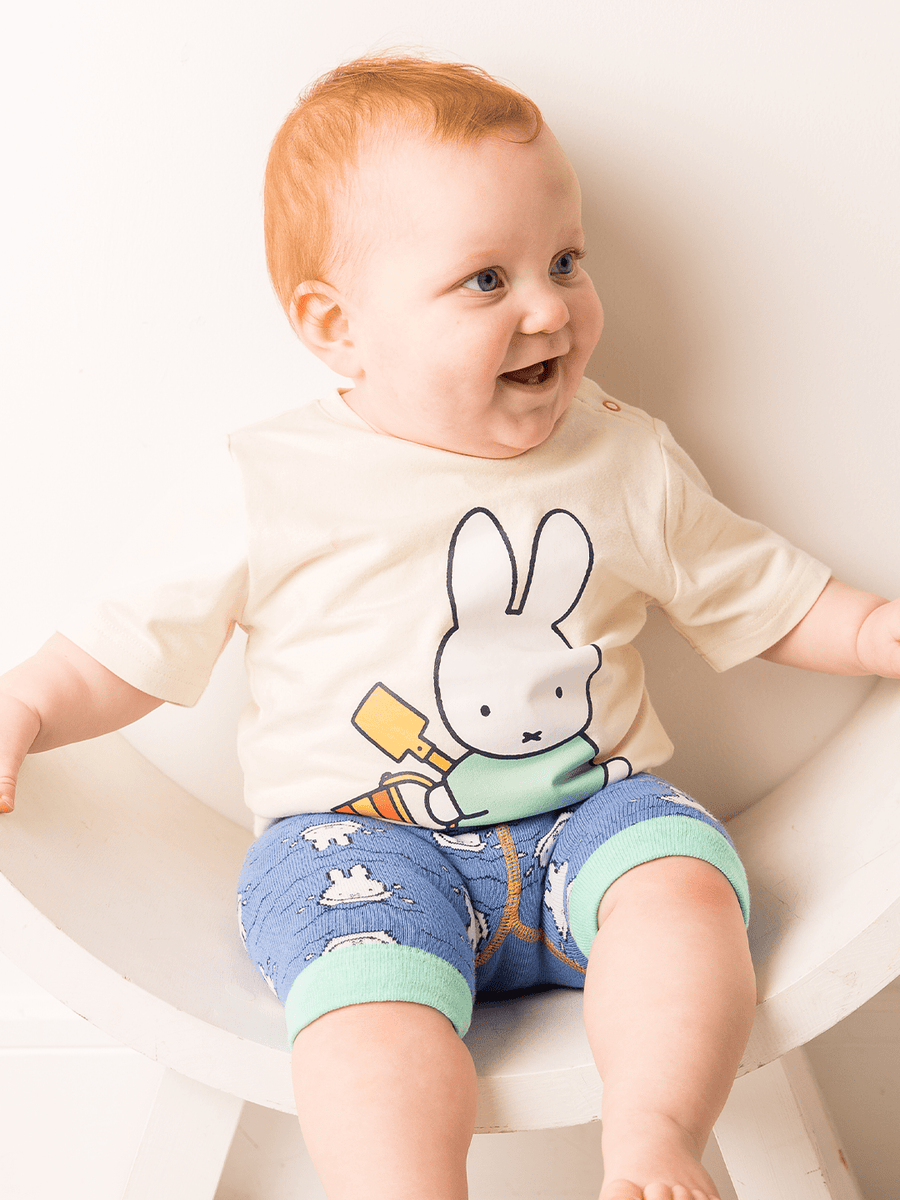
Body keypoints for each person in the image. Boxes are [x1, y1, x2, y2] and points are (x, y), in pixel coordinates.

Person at [1, 55, 898, 1200]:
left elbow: (755, 589)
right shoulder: (272, 480)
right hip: (362, 846)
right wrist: (26, 700)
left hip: (593, 811)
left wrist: (874, 632)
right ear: (337, 328)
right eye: (485, 279)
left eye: (565, 260)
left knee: (682, 889)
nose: (549, 307)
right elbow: (127, 646)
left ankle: (658, 1138)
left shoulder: (619, 452)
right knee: (365, 1017)